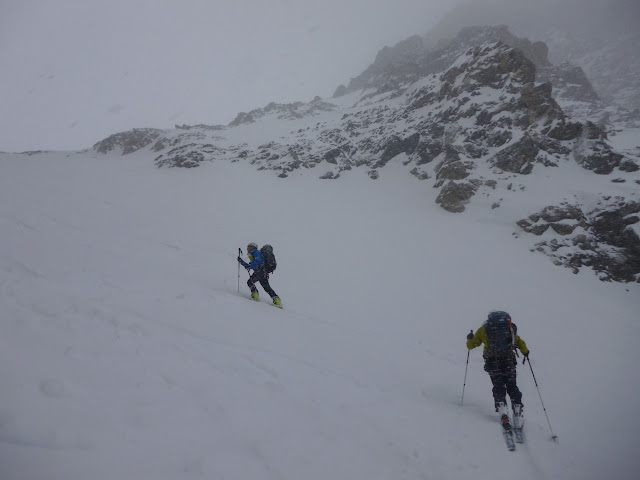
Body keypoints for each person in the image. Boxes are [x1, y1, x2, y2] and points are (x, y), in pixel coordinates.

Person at [466, 311, 529, 429]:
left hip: (492, 362)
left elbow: (472, 345)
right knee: (512, 385)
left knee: (498, 385)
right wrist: (525, 352)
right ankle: (517, 410)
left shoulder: (484, 329)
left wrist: (469, 339)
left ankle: (502, 410)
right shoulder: (508, 328)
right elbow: (519, 341)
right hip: (508, 361)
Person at [237, 243, 283, 308]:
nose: (247, 248)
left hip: (260, 272)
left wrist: (249, 266)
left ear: (253, 247)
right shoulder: (254, 253)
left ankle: (255, 296)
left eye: (249, 247)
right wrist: (242, 262)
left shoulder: (256, 252)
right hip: (263, 272)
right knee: (266, 287)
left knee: (250, 282)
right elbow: (252, 264)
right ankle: (277, 300)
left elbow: (258, 262)